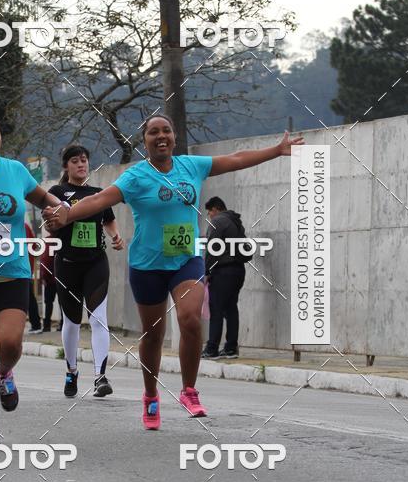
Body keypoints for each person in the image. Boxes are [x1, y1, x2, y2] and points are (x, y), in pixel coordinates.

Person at [45, 117, 303, 429]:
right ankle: (151, 396)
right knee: (153, 335)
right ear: (145, 140)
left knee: (191, 319)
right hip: (147, 265)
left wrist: (276, 150)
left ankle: (189, 390)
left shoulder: (191, 166)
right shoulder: (136, 177)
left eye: (166, 130)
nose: (161, 136)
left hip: (186, 260)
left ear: (174, 136)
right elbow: (99, 200)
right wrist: (68, 214)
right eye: (153, 132)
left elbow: (235, 159)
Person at [0, 113, 65, 446]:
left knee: (9, 343)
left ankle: (5, 372)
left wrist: (59, 210)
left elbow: (45, 199)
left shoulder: (15, 171)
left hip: (12, 271)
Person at [48, 144, 124, 399]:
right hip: (67, 263)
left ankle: (100, 376)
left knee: (98, 318)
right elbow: (49, 221)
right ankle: (71, 370)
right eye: (75, 161)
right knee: (71, 322)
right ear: (66, 166)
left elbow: (108, 219)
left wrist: (115, 235)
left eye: (84, 161)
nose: (81, 165)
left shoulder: (98, 193)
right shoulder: (57, 191)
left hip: (95, 262)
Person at [201, 197, 250, 360]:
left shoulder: (218, 222)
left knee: (216, 308)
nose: (209, 216)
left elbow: (211, 248)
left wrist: (206, 271)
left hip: (222, 271)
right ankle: (230, 348)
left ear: (215, 209)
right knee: (230, 308)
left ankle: (212, 348)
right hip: (238, 271)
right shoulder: (235, 222)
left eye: (209, 212)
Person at [24, 221, 42, 333]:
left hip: (19, 269)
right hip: (26, 269)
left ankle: (36, 325)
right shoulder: (25, 226)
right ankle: (36, 324)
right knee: (30, 298)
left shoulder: (23, 226)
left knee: (29, 298)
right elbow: (34, 246)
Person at [39, 237, 58, 333]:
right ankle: (63, 324)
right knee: (63, 303)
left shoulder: (47, 241)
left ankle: (47, 326)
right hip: (61, 278)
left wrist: (44, 277)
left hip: (50, 280)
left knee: (48, 303)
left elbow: (45, 260)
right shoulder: (64, 238)